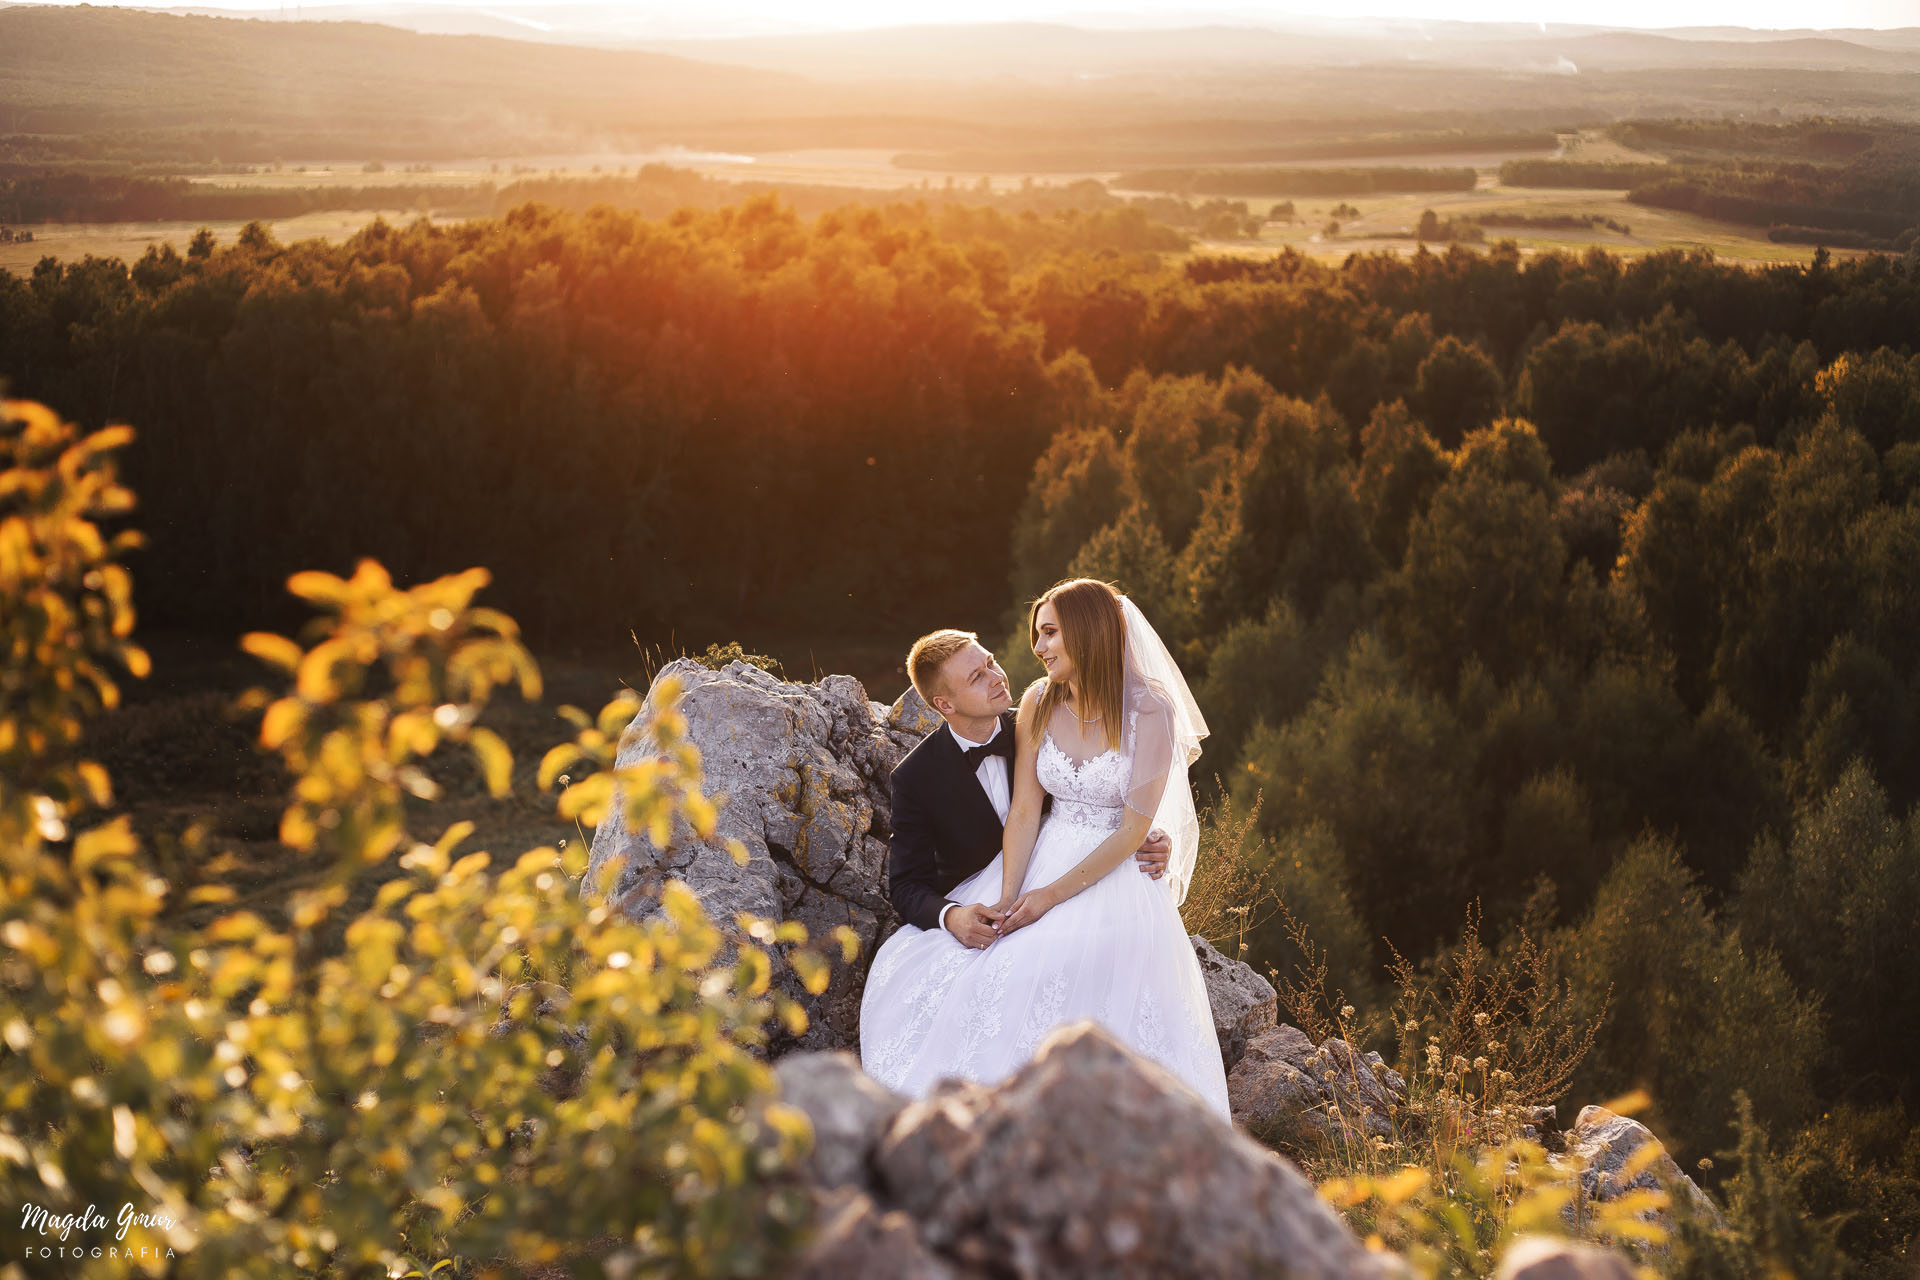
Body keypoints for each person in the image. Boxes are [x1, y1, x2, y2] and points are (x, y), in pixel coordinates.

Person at [860, 578, 1228, 1118]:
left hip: (1113, 876)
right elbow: (1026, 809)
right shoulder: (1037, 701)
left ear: (1087, 631)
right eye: (1037, 635)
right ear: (946, 702)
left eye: (1050, 633)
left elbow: (1131, 827)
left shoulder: (1151, 710)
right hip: (1034, 864)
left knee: (1066, 973)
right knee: (969, 977)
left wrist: (1055, 894)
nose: (1034, 650)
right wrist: (1010, 899)